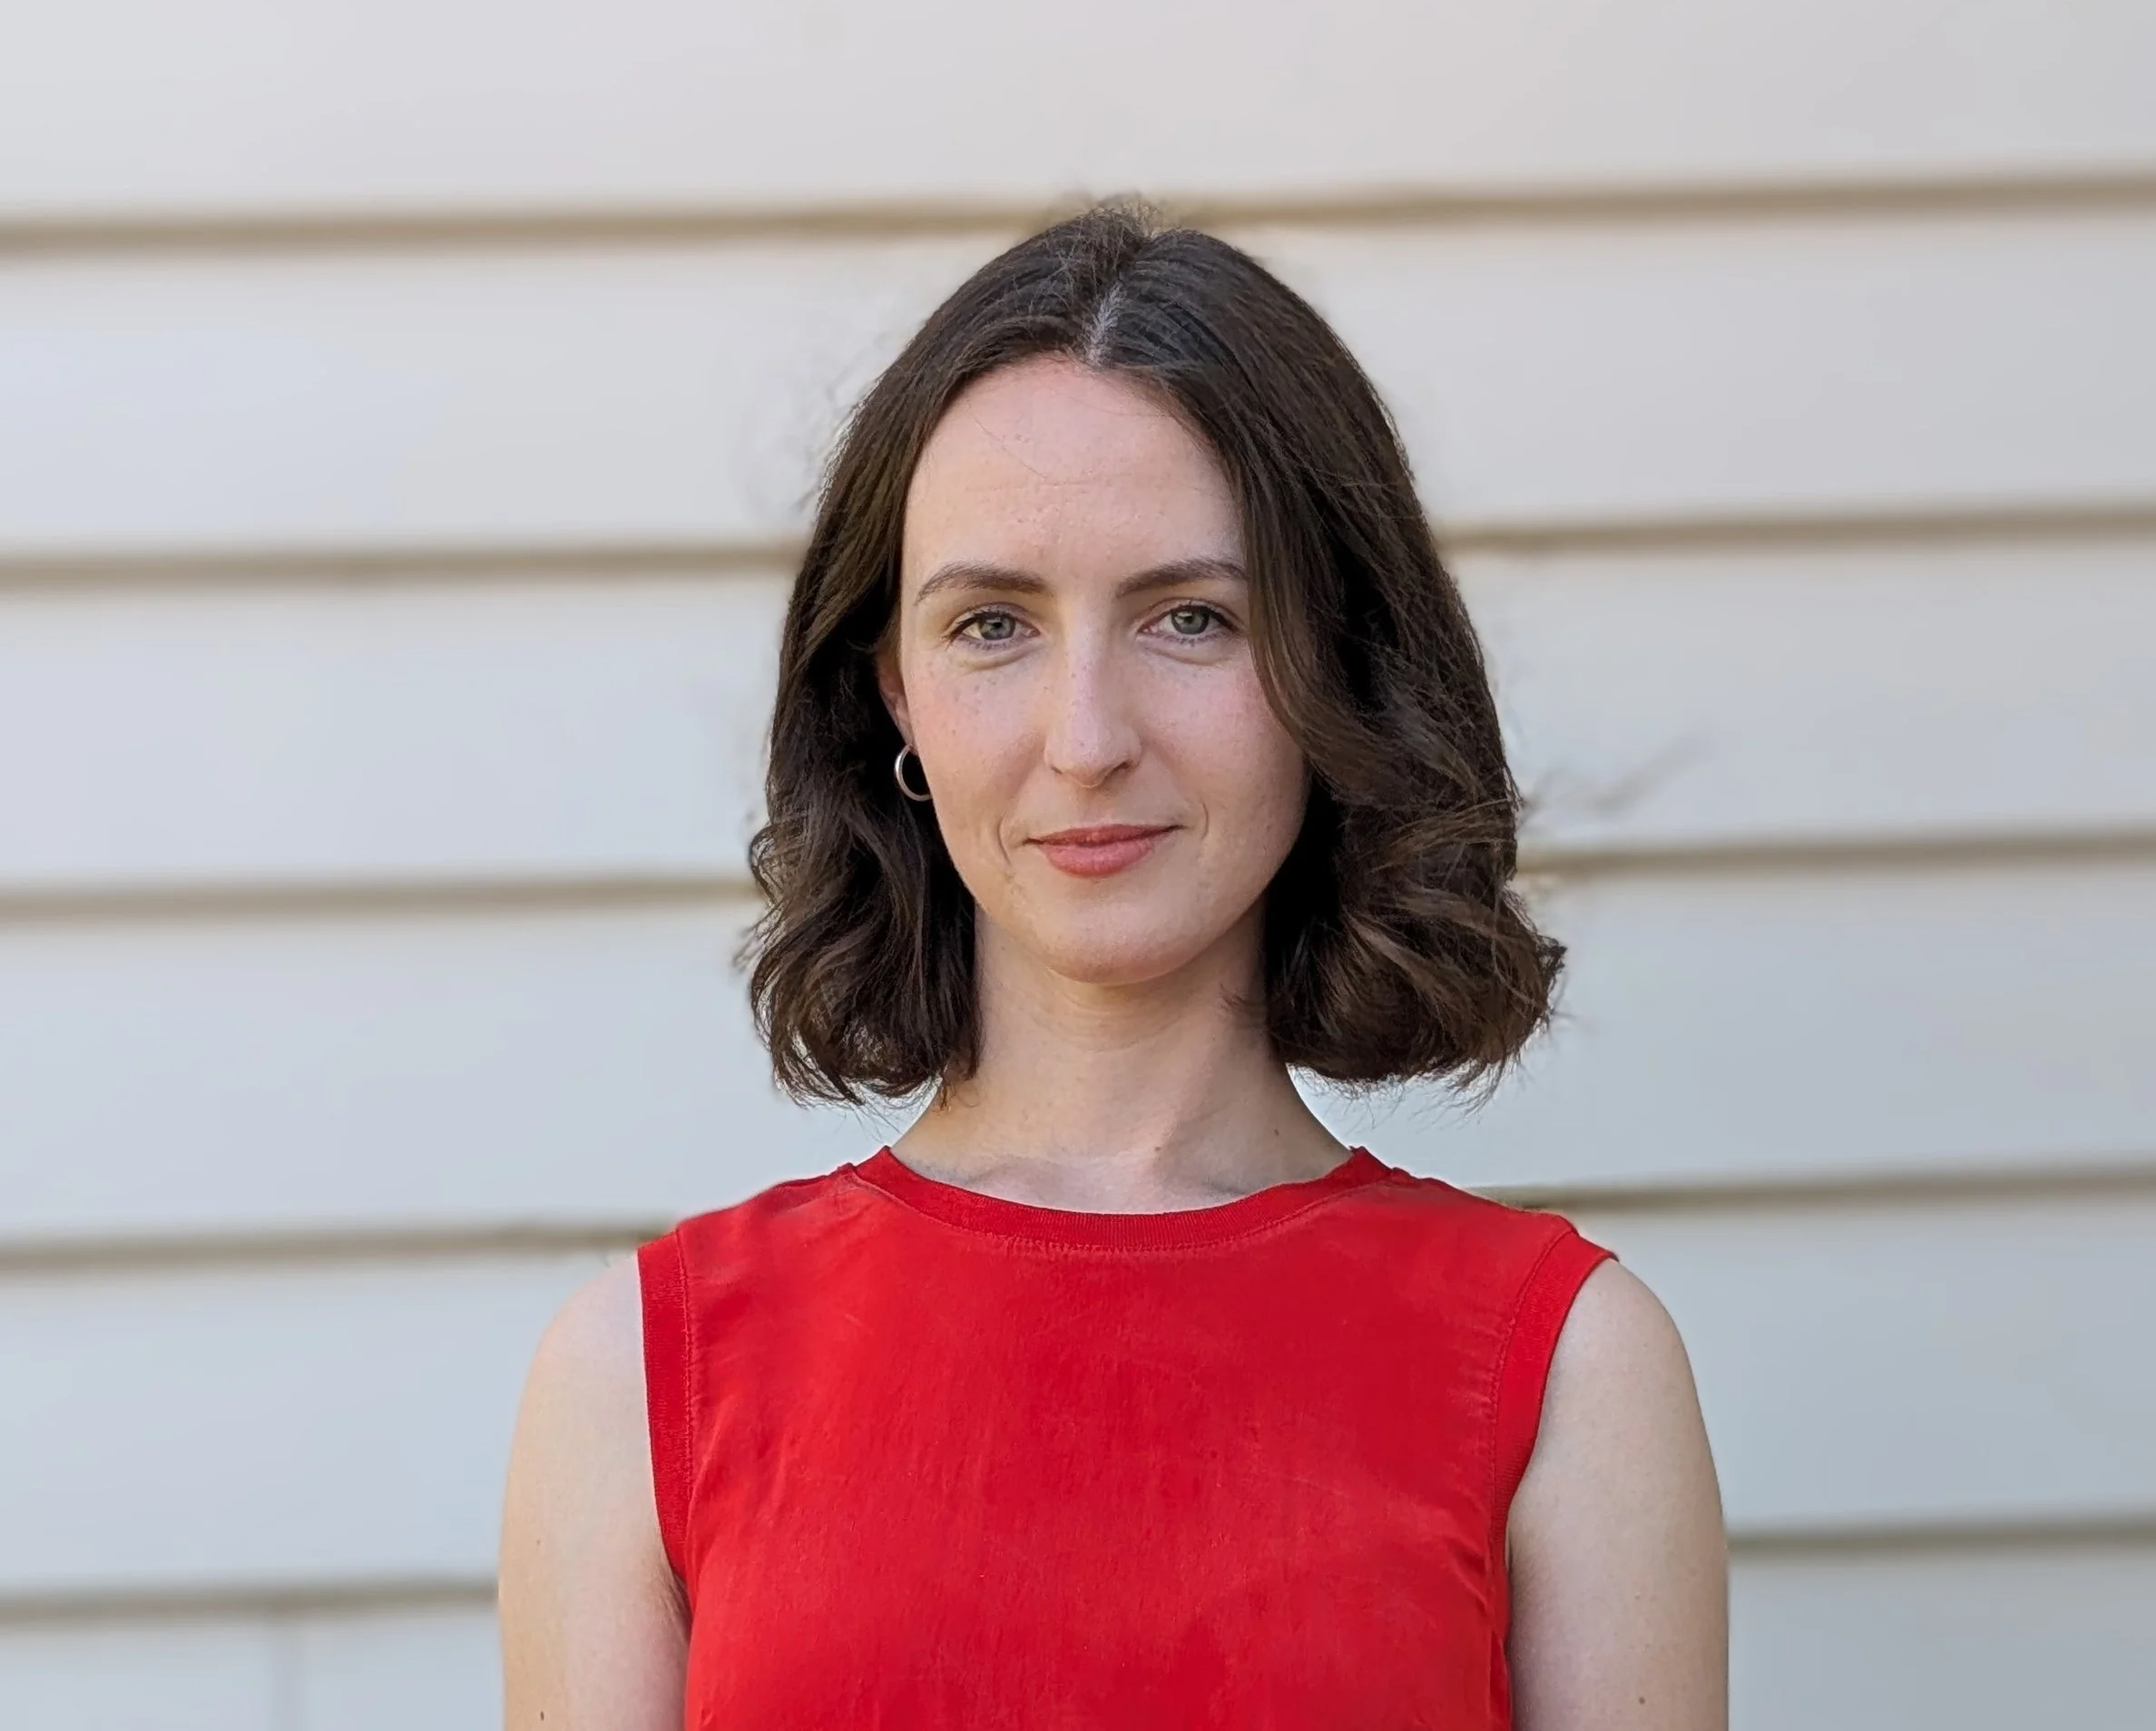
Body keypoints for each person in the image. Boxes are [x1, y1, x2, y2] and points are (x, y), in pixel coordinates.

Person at [498, 202, 1726, 1728]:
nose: (1088, 739)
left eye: (1191, 618)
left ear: (1333, 668)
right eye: (994, 623)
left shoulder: (1568, 1373)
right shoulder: (640, 1375)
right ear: (895, 691)